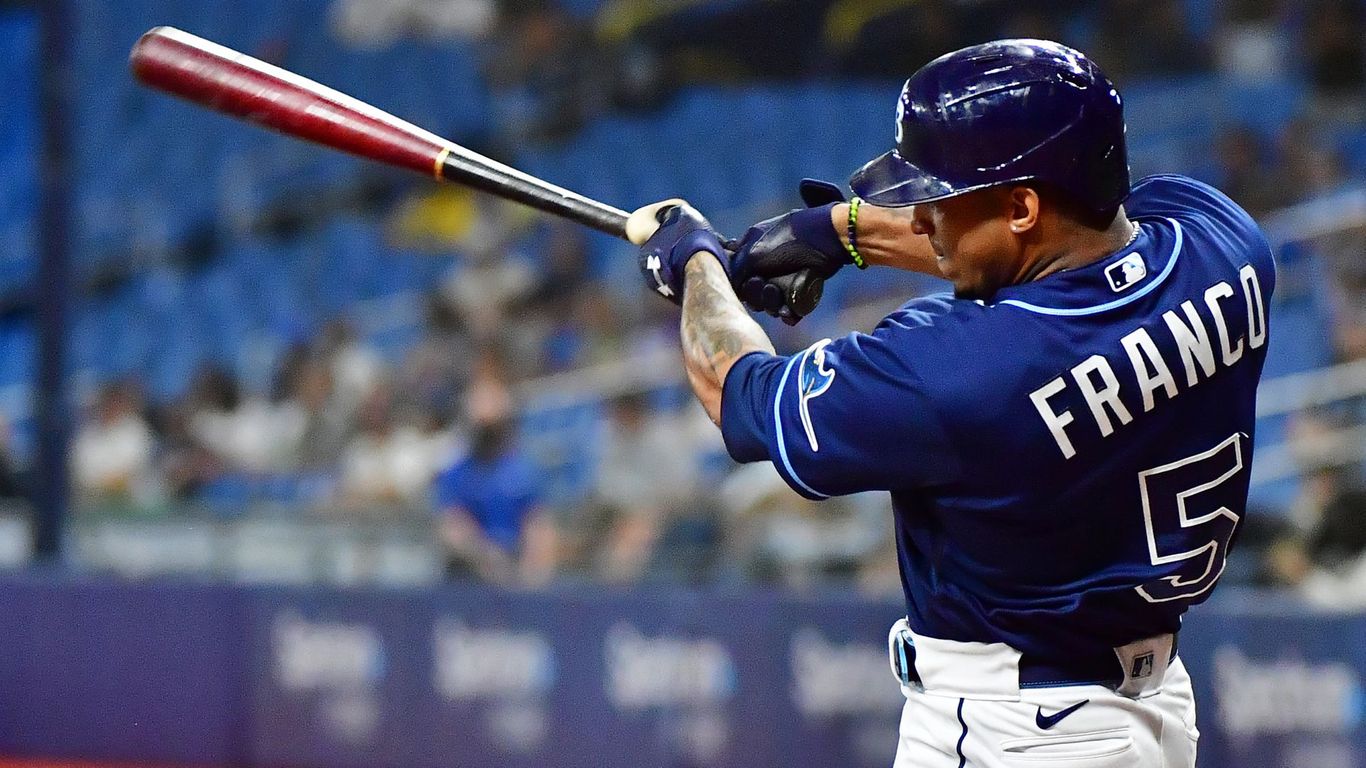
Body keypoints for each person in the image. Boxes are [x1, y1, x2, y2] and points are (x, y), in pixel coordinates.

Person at [629, 39, 1273, 767]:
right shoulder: (1225, 241)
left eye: (939, 196)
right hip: (1147, 712)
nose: (924, 216)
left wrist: (695, 265)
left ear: (1023, 205)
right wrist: (837, 233)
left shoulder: (958, 373)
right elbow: (1083, 231)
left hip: (1016, 730)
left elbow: (740, 396)